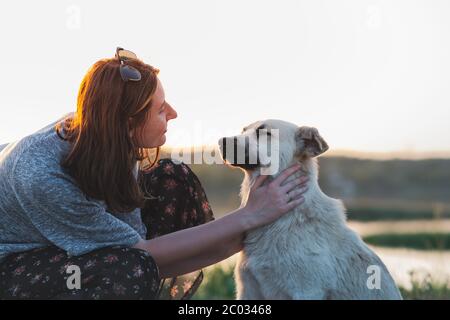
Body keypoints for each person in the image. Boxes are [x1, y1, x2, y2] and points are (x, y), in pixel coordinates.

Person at [0, 48, 309, 299]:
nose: (173, 114)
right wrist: (248, 215)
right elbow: (141, 254)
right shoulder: (40, 173)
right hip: (11, 262)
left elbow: (140, 243)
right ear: (129, 124)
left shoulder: (112, 141)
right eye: (161, 110)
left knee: (172, 178)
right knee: (128, 270)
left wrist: (254, 230)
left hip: (64, 237)